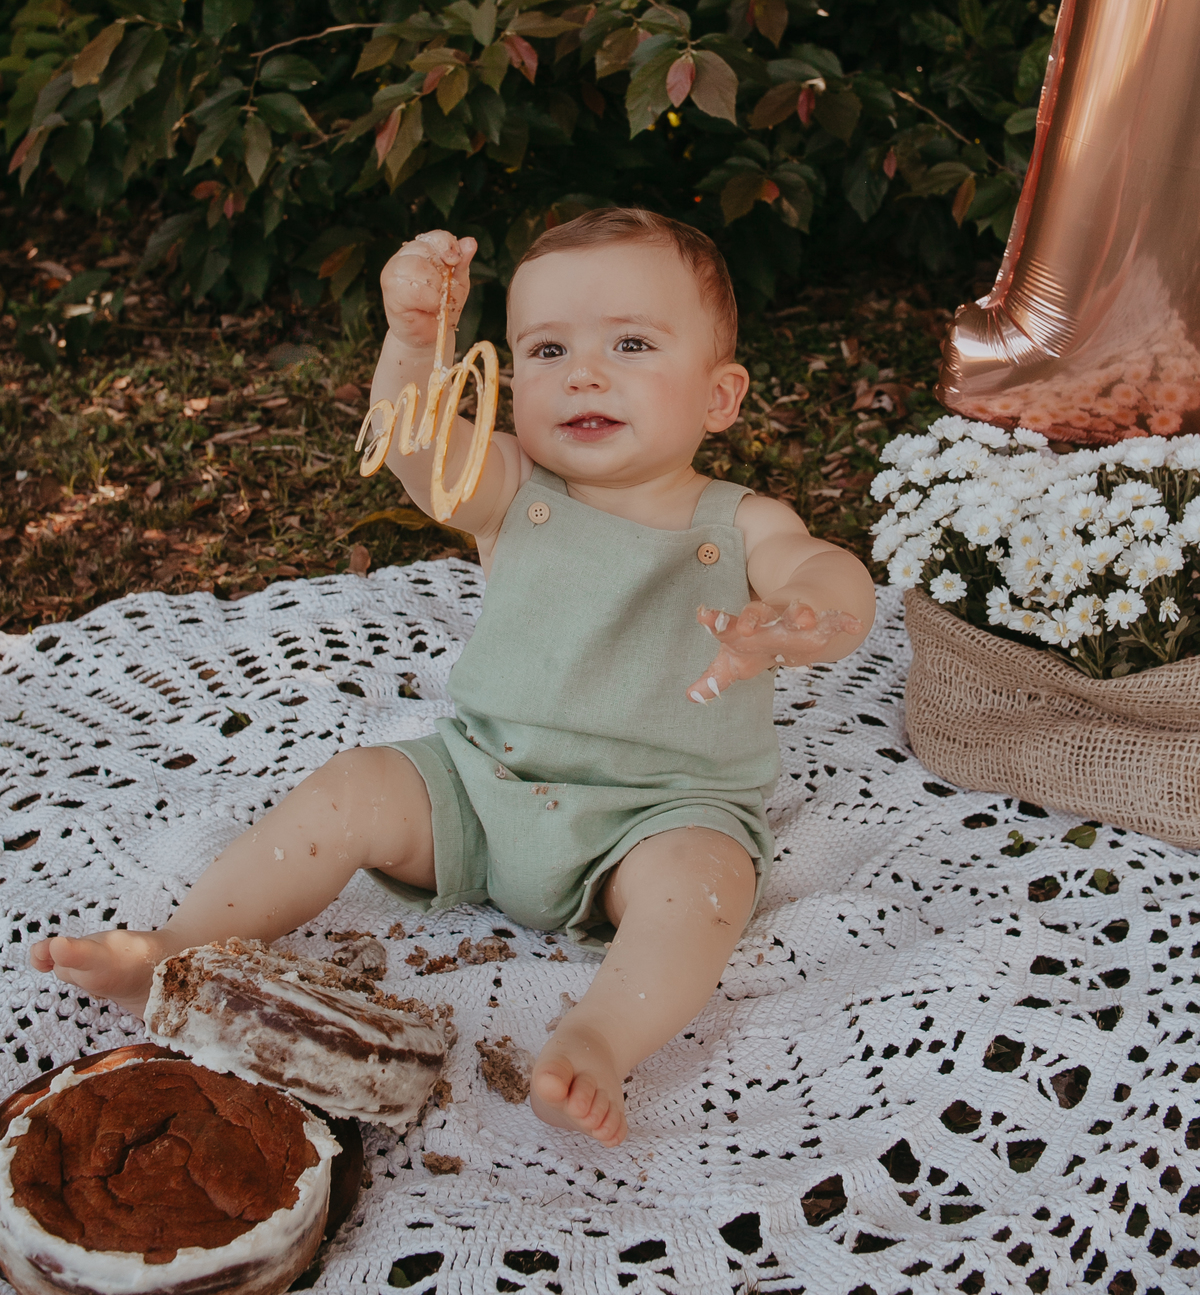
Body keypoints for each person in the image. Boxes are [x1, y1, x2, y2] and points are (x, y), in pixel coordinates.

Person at [32, 209, 875, 1148]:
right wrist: (415, 340)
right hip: (483, 784)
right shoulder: (514, 487)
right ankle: (181, 945)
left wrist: (800, 618)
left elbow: (824, 569)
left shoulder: (743, 519)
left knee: (701, 886)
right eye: (548, 349)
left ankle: (601, 1034)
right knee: (355, 786)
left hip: (658, 812)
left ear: (720, 397)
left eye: (631, 343)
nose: (584, 372)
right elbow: (414, 443)